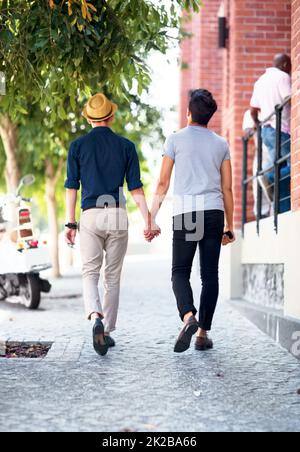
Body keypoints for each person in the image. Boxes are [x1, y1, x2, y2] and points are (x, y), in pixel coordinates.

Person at [64, 93, 160, 357]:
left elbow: (72, 187)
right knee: (112, 276)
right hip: (117, 213)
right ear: (111, 116)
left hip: (91, 214)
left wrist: (70, 223)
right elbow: (136, 188)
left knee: (90, 272)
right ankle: (105, 331)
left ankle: (95, 315)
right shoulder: (126, 146)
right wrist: (148, 219)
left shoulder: (78, 146)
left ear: (88, 117)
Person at [146, 89, 235, 354]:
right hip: (213, 211)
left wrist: (151, 218)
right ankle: (202, 334)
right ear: (210, 116)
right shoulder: (221, 144)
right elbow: (227, 188)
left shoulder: (175, 139)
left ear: (188, 113)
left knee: (180, 272)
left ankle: (188, 317)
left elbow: (162, 182)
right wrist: (230, 225)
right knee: (210, 275)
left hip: (187, 212)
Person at [250, 54, 292, 213]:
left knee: (280, 164)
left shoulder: (260, 81)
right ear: (286, 64)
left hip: (266, 130)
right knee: (294, 164)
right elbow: (289, 98)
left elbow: (253, 109)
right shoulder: (282, 77)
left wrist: (258, 125)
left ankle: (282, 209)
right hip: (281, 129)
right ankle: (268, 175)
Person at [242, 110, 272, 217]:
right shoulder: (249, 113)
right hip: (261, 155)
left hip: (277, 150)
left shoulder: (271, 104)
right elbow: (246, 134)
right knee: (258, 187)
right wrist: (256, 125)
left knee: (274, 184)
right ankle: (262, 216)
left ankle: (274, 211)